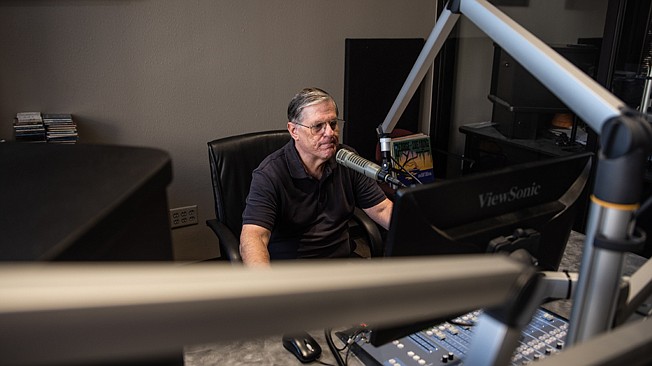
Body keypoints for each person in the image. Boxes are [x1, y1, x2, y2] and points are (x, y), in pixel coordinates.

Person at [240, 87, 393, 266]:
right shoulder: (269, 174)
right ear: (293, 131)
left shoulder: (347, 159)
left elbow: (382, 209)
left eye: (333, 124)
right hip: (292, 273)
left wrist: (424, 234)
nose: (329, 133)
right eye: (318, 126)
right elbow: (254, 237)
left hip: (340, 265)